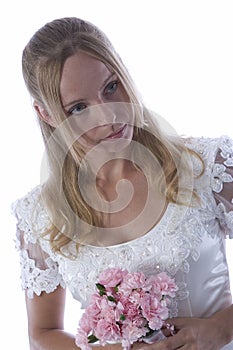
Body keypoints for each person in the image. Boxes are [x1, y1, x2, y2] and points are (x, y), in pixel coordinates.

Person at [11, 17, 233, 350]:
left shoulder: (208, 167)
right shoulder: (38, 217)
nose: (109, 115)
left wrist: (219, 329)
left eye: (111, 86)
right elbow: (42, 334)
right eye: (79, 107)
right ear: (47, 115)